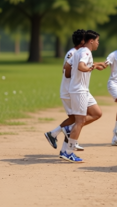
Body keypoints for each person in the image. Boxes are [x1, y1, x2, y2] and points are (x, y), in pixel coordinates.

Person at [44, 29, 91, 157]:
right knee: (75, 119)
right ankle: (56, 136)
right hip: (69, 90)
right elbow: (66, 70)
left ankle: (62, 144)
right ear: (82, 41)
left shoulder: (77, 52)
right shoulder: (73, 53)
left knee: (77, 119)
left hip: (72, 90)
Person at [64, 30, 107, 163]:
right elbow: (81, 66)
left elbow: (69, 65)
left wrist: (95, 65)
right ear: (91, 41)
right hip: (79, 90)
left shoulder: (79, 51)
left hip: (82, 90)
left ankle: (69, 129)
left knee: (97, 113)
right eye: (97, 41)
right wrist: (86, 68)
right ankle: (68, 152)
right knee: (80, 121)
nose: (98, 43)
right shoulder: (86, 52)